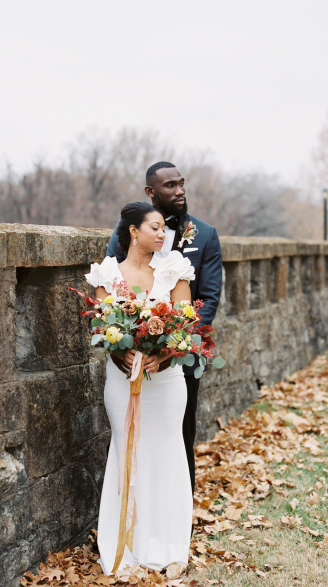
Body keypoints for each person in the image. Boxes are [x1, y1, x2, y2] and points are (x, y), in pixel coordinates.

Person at [85, 201, 195, 573]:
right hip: (122, 382)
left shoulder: (174, 270)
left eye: (164, 228)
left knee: (166, 455)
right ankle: (125, 549)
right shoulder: (107, 274)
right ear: (133, 231)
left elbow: (185, 327)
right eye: (155, 227)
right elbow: (103, 328)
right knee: (126, 455)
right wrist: (121, 352)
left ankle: (171, 548)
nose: (163, 234)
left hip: (165, 383)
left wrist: (161, 356)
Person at [106, 162, 223, 491]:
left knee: (180, 438)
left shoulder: (205, 235)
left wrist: (172, 348)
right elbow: (113, 286)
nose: (180, 191)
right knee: (132, 437)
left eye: (181, 183)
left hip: (181, 358)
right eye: (170, 185)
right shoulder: (126, 231)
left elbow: (208, 301)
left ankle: (181, 514)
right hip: (130, 359)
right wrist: (122, 348)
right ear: (151, 191)